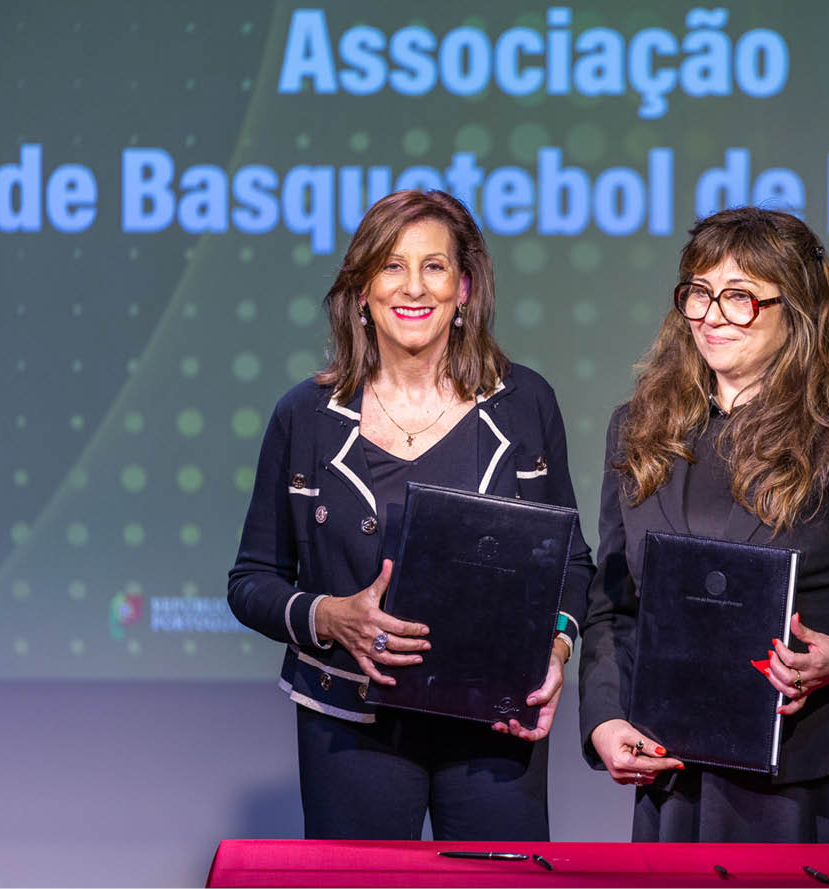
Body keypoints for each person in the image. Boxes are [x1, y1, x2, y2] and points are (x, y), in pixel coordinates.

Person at [578, 207, 829, 843]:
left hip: (809, 776)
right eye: (698, 293)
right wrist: (605, 718)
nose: (712, 316)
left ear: (798, 310)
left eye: (741, 297)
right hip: (675, 769)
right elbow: (614, 603)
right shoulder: (639, 428)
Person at [228, 189, 593, 841]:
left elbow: (569, 562)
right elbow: (251, 579)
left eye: (434, 265)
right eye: (392, 265)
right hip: (349, 724)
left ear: (464, 286)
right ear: (361, 287)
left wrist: (557, 646)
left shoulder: (523, 402)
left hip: (494, 724)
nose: (414, 286)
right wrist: (329, 616)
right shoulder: (304, 417)